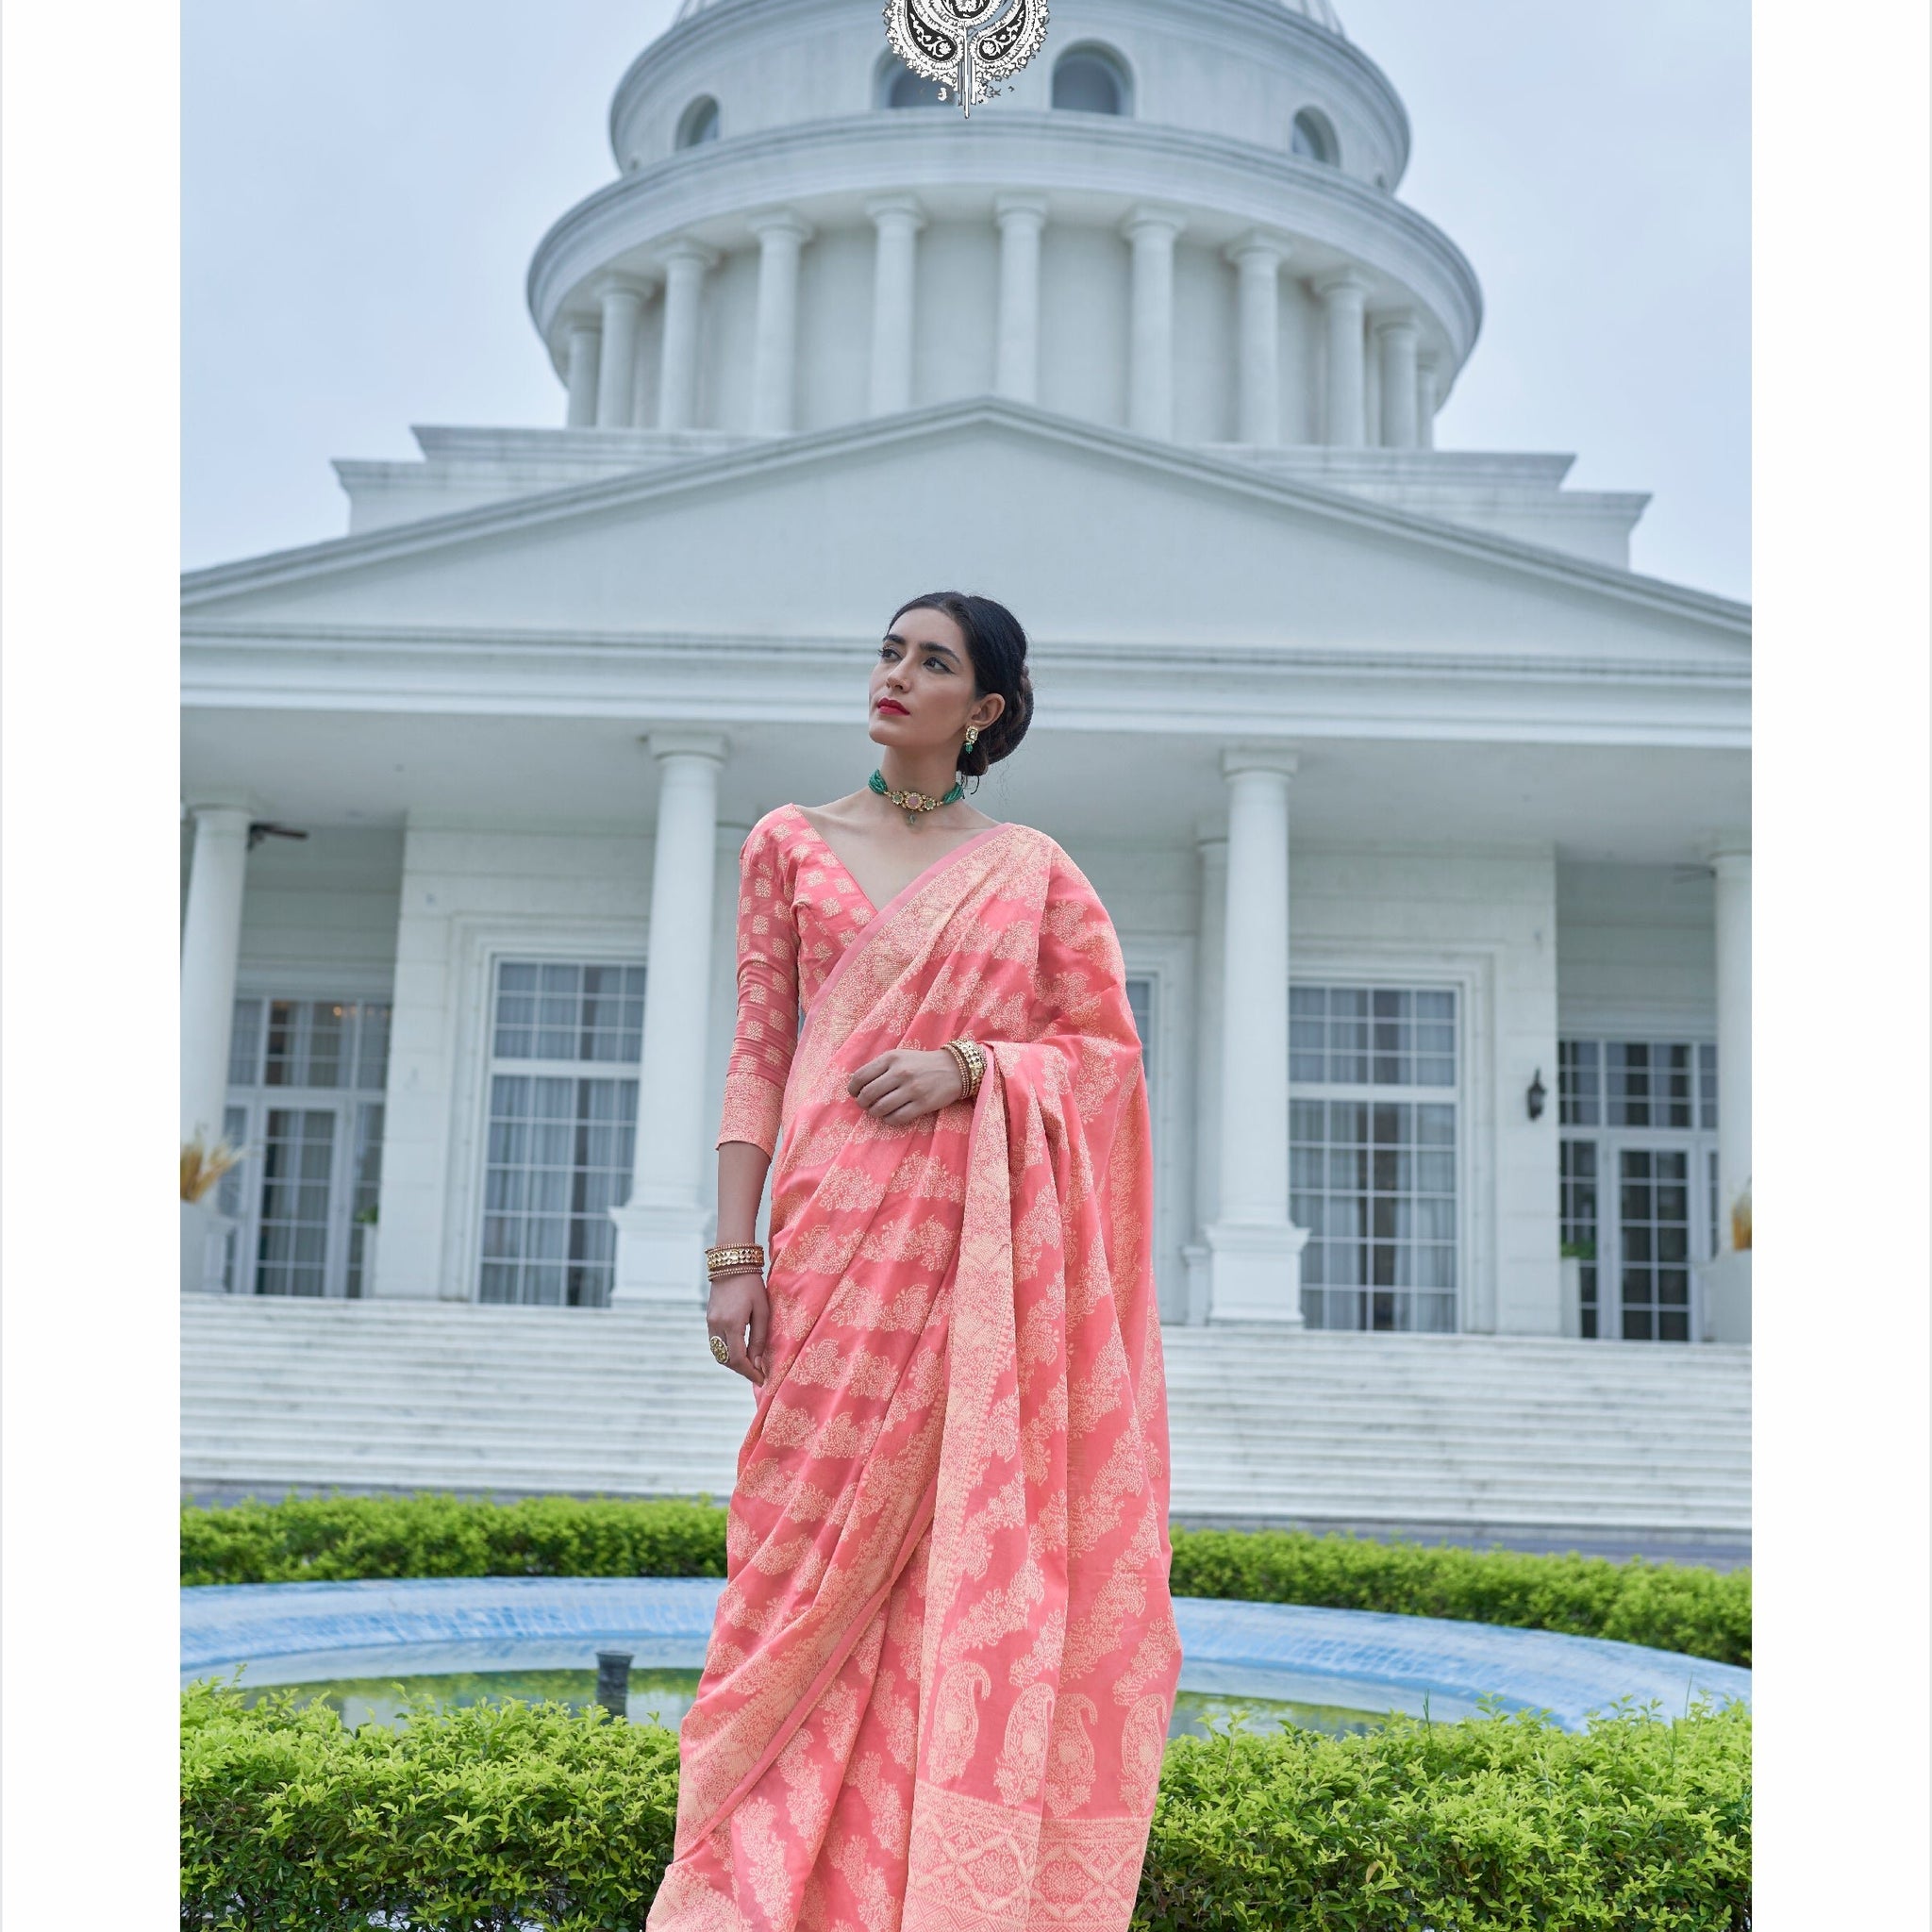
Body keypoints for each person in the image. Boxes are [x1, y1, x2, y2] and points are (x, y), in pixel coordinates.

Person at [646, 591, 1180, 1932]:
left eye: (931, 662)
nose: (894, 675)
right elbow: (758, 1053)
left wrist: (973, 1067)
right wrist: (732, 1252)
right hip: (832, 1255)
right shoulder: (790, 843)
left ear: (984, 709)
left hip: (972, 1270)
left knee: (951, 1579)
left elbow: (1106, 1064)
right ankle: (742, 1894)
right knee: (788, 1569)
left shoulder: (1036, 872)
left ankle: (915, 1893)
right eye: (890, 650)